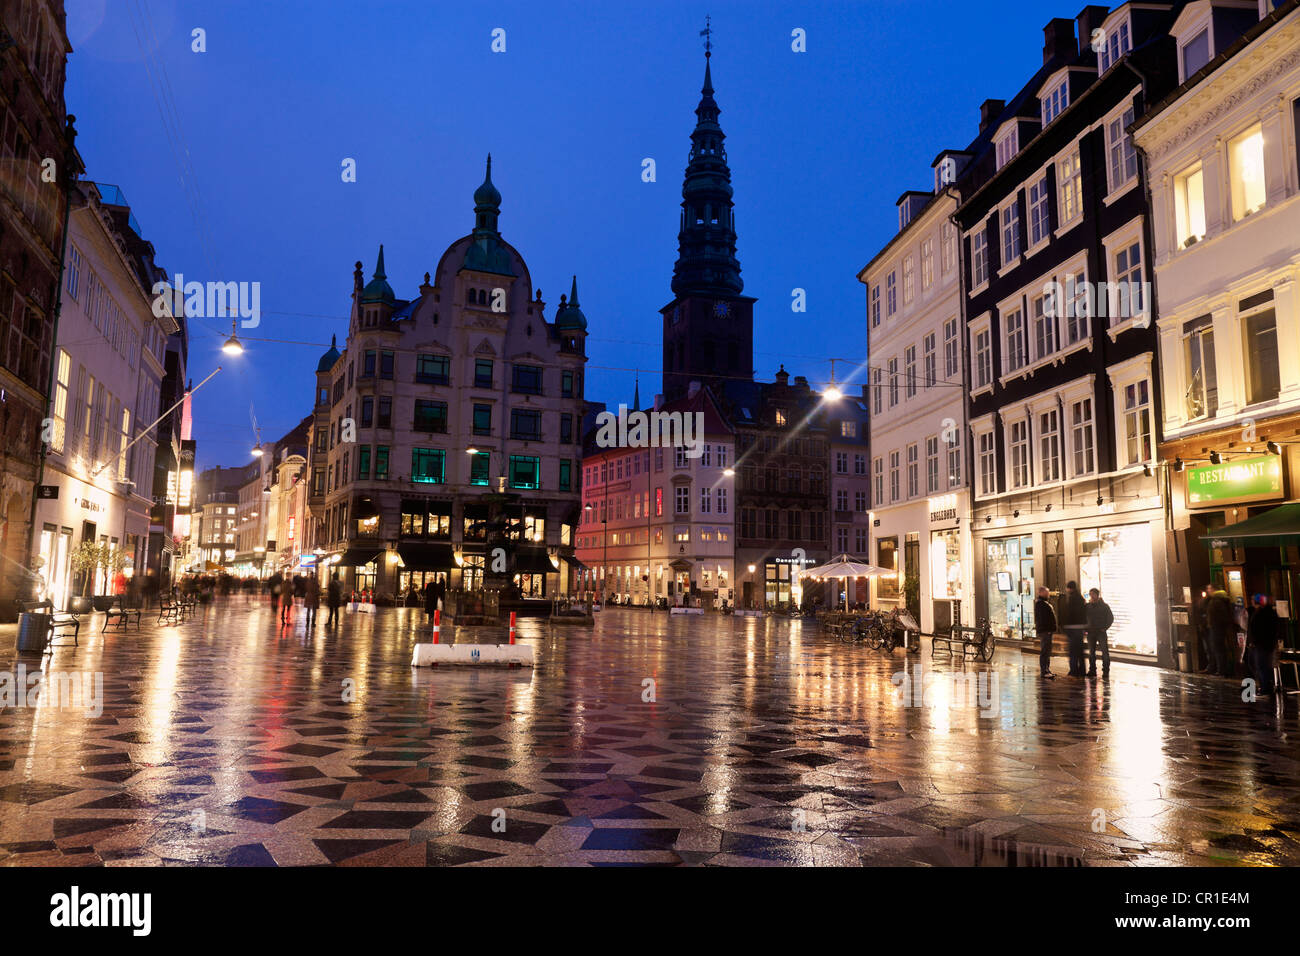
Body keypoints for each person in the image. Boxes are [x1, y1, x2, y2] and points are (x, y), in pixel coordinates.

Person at [1246, 593, 1280, 696]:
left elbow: (1257, 629)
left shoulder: (1262, 613)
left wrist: (1254, 641)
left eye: (1253, 600)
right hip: (1264, 644)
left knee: (1262, 666)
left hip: (1261, 644)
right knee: (1261, 665)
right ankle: (1266, 686)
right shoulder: (1268, 612)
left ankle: (1265, 688)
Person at [1059, 581, 1088, 677]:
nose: (1067, 590)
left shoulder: (1071, 599)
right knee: (1080, 651)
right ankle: (1082, 670)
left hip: (1072, 627)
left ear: (1070, 588)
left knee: (1072, 651)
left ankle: (1073, 671)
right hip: (1080, 627)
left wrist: (1063, 625)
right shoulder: (1081, 599)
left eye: (1067, 588)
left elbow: (1069, 614)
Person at [1204, 588, 1234, 676]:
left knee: (1218, 649)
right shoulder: (1216, 600)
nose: (1208, 590)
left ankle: (1221, 670)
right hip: (1217, 627)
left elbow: (1222, 615)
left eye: (1209, 588)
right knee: (1218, 649)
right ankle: (1219, 669)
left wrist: (1215, 623)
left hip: (1217, 627)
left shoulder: (1216, 601)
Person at [1085, 588, 1114, 679]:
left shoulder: (1104, 606)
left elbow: (1110, 618)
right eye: (1090, 594)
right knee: (1091, 653)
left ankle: (1105, 671)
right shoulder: (1088, 606)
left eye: (1093, 594)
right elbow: (1084, 617)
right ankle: (1092, 670)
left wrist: (1105, 628)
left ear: (1097, 595)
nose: (1091, 596)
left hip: (1101, 632)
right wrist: (1086, 628)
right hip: (1091, 632)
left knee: (1105, 652)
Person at [1033, 586, 1058, 680]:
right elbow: (1043, 619)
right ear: (1041, 593)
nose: (1048, 595)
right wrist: (1047, 629)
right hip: (1045, 631)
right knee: (1045, 651)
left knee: (1047, 651)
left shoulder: (1043, 603)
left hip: (1047, 630)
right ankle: (1044, 671)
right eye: (1046, 593)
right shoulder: (1041, 604)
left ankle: (1047, 670)